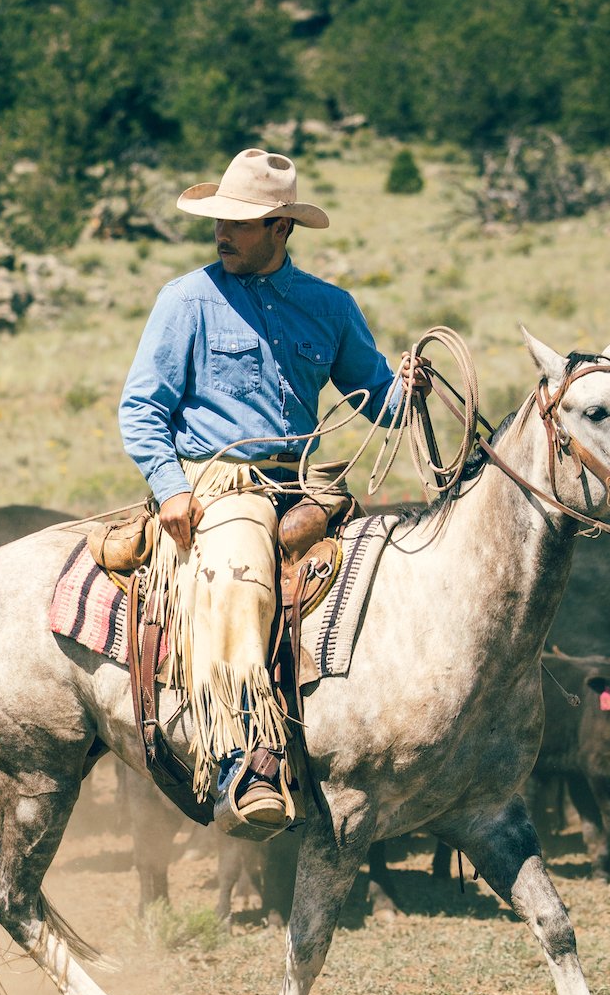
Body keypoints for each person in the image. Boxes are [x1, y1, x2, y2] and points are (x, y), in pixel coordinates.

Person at [118, 148, 427, 828]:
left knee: (394, 562)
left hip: (300, 479)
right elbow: (141, 409)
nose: (222, 234)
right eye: (220, 221)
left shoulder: (329, 307)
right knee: (238, 571)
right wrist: (171, 489)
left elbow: (374, 398)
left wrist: (408, 391)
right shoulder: (185, 302)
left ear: (281, 228)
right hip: (218, 480)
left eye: (242, 223)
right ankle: (242, 751)